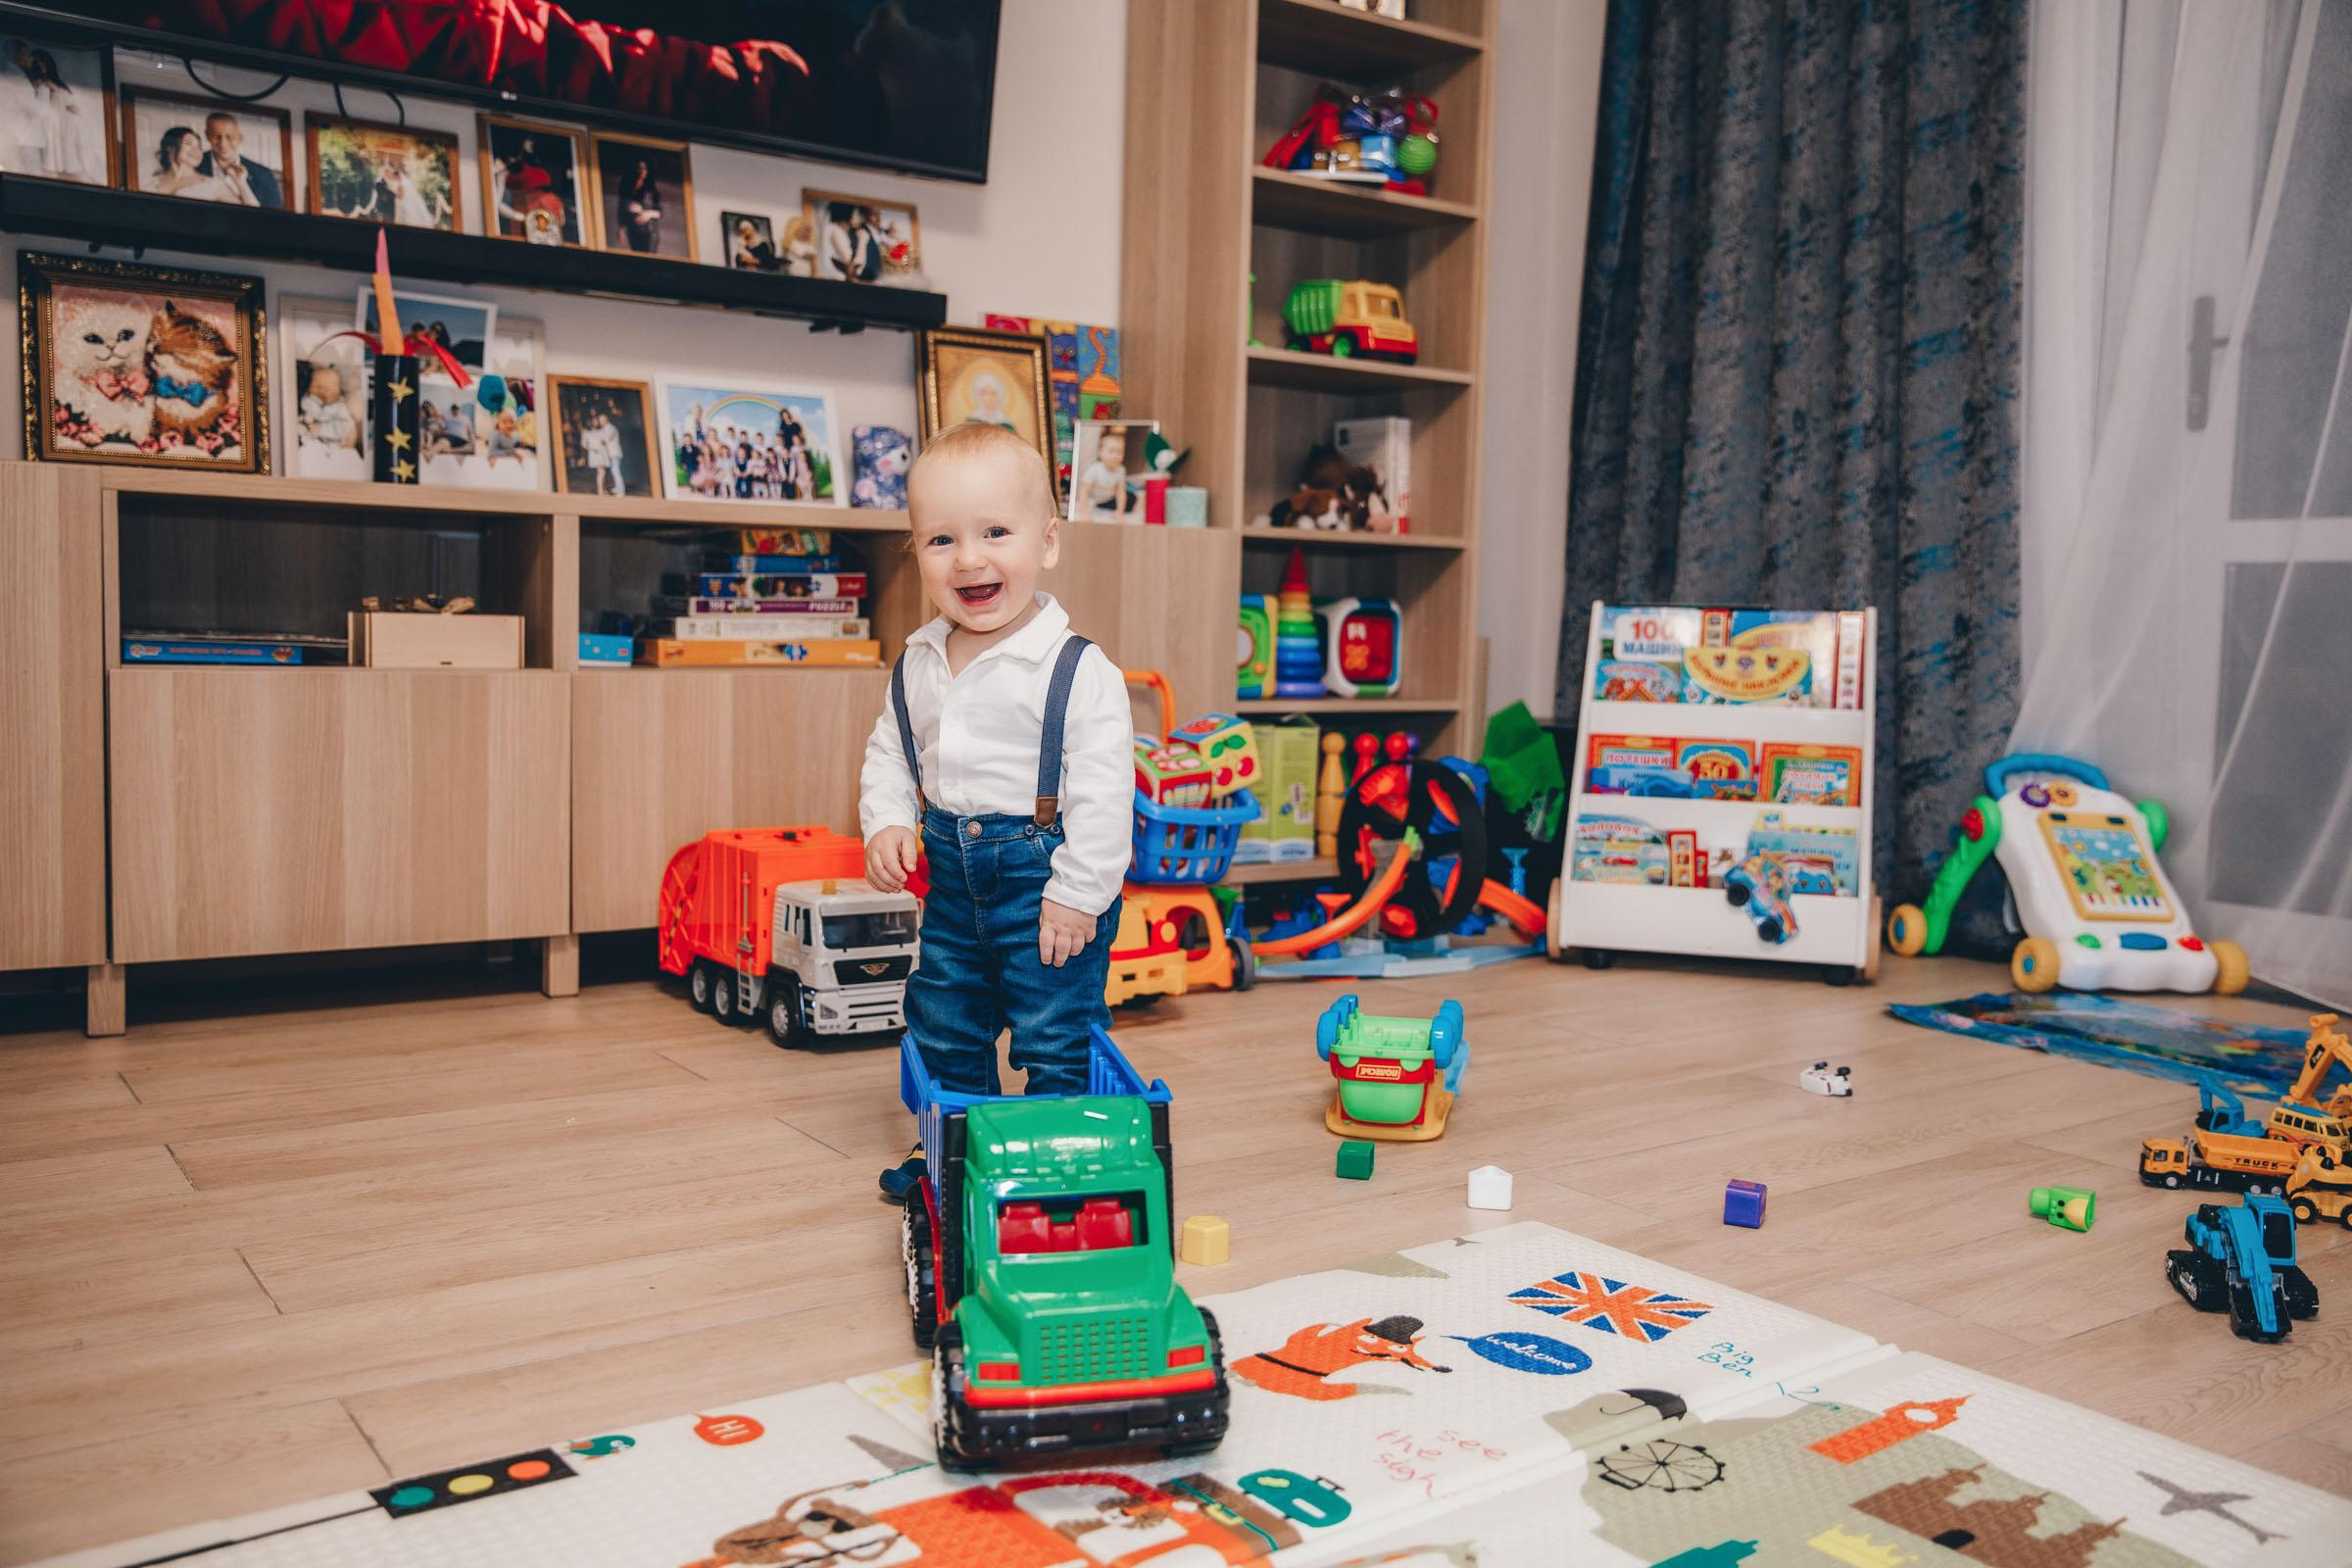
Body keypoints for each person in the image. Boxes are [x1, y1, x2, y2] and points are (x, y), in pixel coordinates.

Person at [859, 420, 1131, 1199]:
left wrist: (1079, 895)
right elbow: (891, 747)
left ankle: (1062, 1160)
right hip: (951, 885)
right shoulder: (920, 660)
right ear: (916, 552)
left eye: (995, 533)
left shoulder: (1080, 671)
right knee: (944, 1019)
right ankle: (957, 1154)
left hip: (1047, 887)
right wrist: (883, 819)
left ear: (1047, 543)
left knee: (1055, 1030)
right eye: (941, 539)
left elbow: (1106, 794)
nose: (970, 558)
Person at [196, 111, 279, 207]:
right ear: (207, 136)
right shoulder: (194, 166)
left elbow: (275, 216)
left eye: (229, 137)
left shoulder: (263, 174)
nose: (223, 144)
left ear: (240, 138)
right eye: (216, 137)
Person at [151, 124, 242, 202]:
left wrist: (240, 181)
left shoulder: (214, 185)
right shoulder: (151, 181)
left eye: (198, 146)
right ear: (170, 148)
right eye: (188, 143)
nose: (196, 150)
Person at [298, 363, 358, 452]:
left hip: (333, 444)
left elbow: (346, 427)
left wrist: (322, 429)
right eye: (313, 384)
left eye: (316, 385)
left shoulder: (340, 408)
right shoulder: (310, 400)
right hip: (309, 437)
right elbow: (305, 409)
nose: (311, 387)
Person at [1075, 428, 1130, 518]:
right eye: (1111, 451)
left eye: (1120, 452)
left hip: (1110, 498)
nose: (1115, 456)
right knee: (1087, 501)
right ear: (1100, 453)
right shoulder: (1094, 469)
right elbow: (1084, 491)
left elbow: (1120, 492)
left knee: (1130, 498)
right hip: (1095, 500)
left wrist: (1120, 512)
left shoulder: (1121, 470)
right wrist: (1084, 512)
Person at [618, 159, 662, 253]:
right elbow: (622, 210)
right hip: (633, 231)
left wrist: (647, 213)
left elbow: (660, 212)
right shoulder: (628, 188)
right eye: (639, 169)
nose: (642, 172)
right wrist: (621, 230)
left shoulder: (652, 189)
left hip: (649, 233)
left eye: (644, 169)